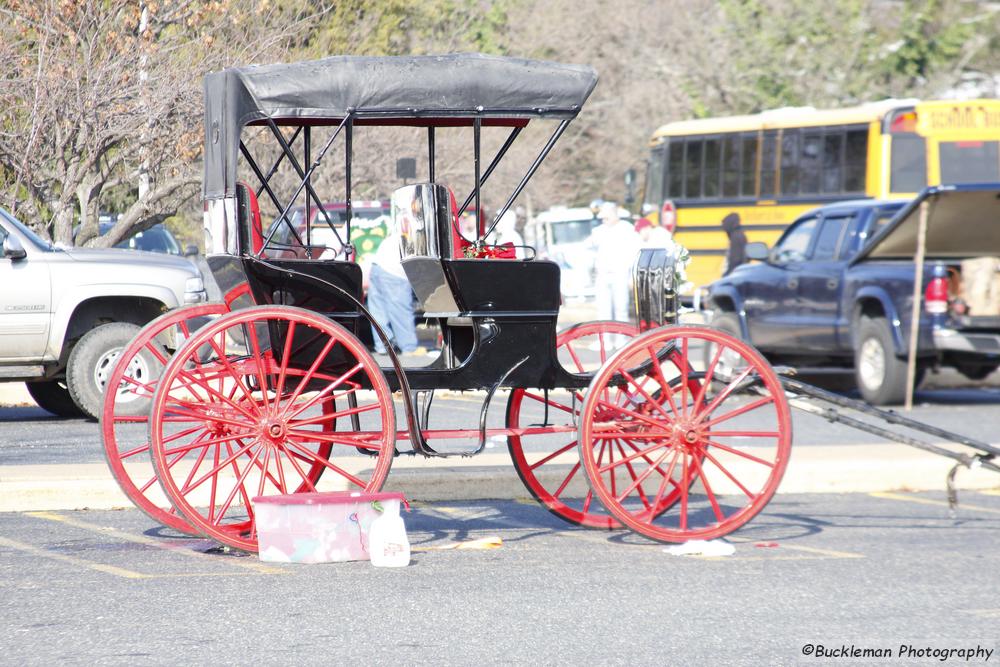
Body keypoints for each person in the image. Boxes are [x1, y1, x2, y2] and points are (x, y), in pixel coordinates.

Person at [587, 202, 640, 343]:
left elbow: (635, 254)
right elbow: (590, 250)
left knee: (621, 308)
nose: (604, 219)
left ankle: (621, 339)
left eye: (607, 215)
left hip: (620, 273)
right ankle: (604, 340)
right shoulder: (598, 231)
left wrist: (632, 277)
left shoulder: (627, 229)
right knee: (603, 310)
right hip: (603, 274)